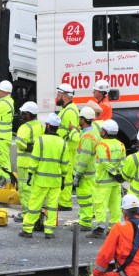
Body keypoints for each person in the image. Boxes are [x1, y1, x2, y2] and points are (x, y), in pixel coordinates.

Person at [20, 113, 69, 239]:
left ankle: (28, 229)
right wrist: (63, 178)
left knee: (35, 204)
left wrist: (30, 173)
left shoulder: (40, 140)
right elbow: (65, 164)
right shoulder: (63, 143)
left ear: (48, 125)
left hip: (41, 180)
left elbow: (34, 159)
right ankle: (49, 231)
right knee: (53, 206)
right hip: (56, 181)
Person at [92, 119, 125, 237]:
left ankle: (98, 229)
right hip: (116, 183)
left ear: (105, 132)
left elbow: (105, 163)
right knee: (115, 205)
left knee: (100, 204)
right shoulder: (120, 145)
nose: (100, 131)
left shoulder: (102, 145)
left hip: (103, 182)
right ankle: (113, 229)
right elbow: (122, 162)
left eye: (102, 129)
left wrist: (114, 173)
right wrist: (119, 174)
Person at [14, 101, 42, 222]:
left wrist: (26, 147)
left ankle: (26, 212)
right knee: (34, 188)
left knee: (25, 188)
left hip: (25, 162)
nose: (22, 115)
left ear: (30, 114)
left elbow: (20, 142)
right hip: (35, 162)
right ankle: (35, 211)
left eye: (24, 113)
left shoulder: (24, 127)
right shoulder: (39, 125)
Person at [74, 106, 100, 230]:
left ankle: (85, 222)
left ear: (83, 120)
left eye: (80, 118)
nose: (78, 120)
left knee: (84, 198)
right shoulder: (93, 131)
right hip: (91, 172)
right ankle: (88, 217)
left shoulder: (87, 137)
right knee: (91, 196)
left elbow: (83, 158)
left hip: (85, 174)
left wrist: (78, 174)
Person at [55, 83, 80, 211]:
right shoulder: (67, 109)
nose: (57, 97)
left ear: (64, 96)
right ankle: (64, 201)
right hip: (66, 148)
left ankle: (65, 203)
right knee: (65, 175)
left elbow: (73, 132)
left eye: (58, 95)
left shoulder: (69, 111)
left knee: (67, 176)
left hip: (68, 149)